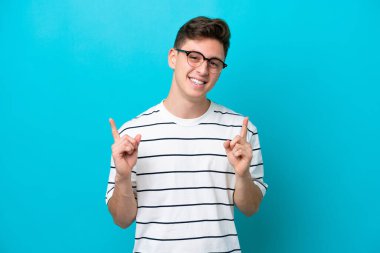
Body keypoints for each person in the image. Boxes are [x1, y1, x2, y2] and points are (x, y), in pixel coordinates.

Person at [105, 16, 268, 252]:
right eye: (194, 57)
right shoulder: (132, 134)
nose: (202, 70)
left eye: (214, 63)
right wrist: (122, 175)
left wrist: (242, 175)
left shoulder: (240, 131)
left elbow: (251, 208)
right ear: (173, 57)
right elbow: (122, 220)